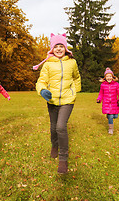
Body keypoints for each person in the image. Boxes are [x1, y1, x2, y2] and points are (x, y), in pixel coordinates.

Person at [34, 33, 81, 174]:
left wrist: (75, 91)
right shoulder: (47, 64)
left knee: (61, 127)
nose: (59, 49)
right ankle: (54, 146)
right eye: (56, 46)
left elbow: (76, 77)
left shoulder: (72, 62)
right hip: (52, 100)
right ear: (52, 49)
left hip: (67, 100)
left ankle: (63, 159)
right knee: (53, 127)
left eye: (61, 46)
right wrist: (42, 90)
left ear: (65, 48)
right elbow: (41, 81)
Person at [96, 68, 119, 135]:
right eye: (107, 76)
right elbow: (101, 93)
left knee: (115, 116)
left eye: (110, 76)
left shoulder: (116, 84)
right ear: (105, 78)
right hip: (106, 103)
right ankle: (110, 129)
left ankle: (108, 116)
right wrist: (99, 99)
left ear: (112, 77)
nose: (109, 77)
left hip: (114, 103)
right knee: (111, 116)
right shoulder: (103, 85)